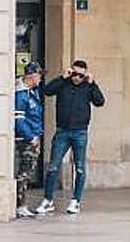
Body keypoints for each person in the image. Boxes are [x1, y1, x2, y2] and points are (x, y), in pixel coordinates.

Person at [36, 59, 105, 215]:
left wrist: (93, 83)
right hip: (63, 131)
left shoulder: (88, 87)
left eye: (80, 75)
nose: (76, 78)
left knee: (80, 168)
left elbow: (100, 102)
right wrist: (62, 77)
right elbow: (47, 91)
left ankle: (76, 201)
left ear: (85, 75)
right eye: (74, 74)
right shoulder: (63, 84)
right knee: (53, 167)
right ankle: (48, 200)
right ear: (70, 71)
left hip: (80, 132)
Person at [13, 62, 45, 218]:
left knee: (26, 173)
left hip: (32, 136)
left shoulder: (32, 92)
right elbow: (18, 119)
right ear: (32, 76)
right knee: (23, 174)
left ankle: (21, 204)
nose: (40, 79)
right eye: (39, 76)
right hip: (25, 140)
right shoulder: (21, 94)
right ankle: (19, 205)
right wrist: (30, 137)